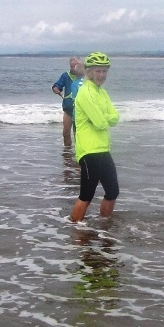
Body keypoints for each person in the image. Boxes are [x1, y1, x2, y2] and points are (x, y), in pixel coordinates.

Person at [70, 52, 120, 222]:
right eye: (98, 71)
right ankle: (75, 230)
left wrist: (103, 117)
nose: (101, 75)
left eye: (104, 71)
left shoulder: (101, 92)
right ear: (89, 71)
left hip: (103, 149)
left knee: (113, 191)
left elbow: (115, 118)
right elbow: (100, 123)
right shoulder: (85, 93)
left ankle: (105, 225)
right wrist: (103, 117)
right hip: (88, 151)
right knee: (86, 195)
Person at [52, 57, 85, 147]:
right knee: (65, 133)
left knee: (78, 134)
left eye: (75, 66)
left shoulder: (85, 78)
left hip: (80, 111)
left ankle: (80, 156)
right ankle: (67, 155)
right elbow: (56, 86)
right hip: (68, 109)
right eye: (71, 66)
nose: (73, 68)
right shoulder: (65, 75)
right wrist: (56, 89)